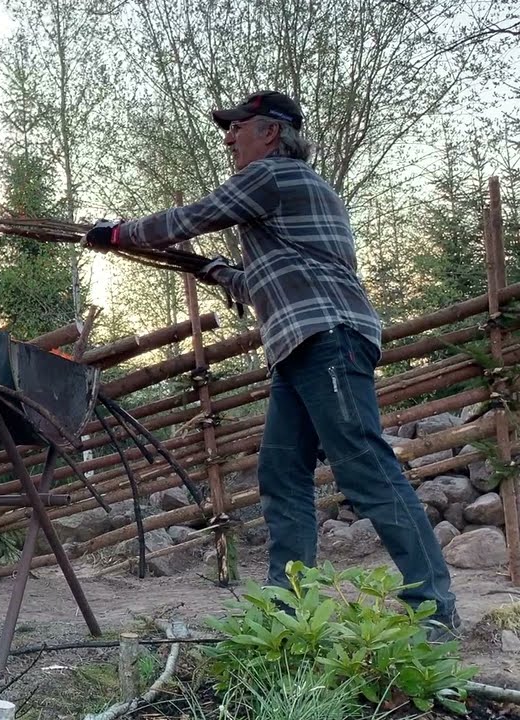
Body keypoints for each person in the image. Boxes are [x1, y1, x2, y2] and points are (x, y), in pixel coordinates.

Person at [82, 91, 459, 639]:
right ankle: (288, 615)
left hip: (328, 337)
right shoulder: (285, 196)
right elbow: (272, 277)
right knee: (282, 475)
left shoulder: (274, 176)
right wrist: (216, 272)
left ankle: (435, 609)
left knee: (365, 467)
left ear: (272, 134)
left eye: (238, 127)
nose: (229, 138)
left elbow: (193, 216)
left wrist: (118, 234)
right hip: (302, 346)